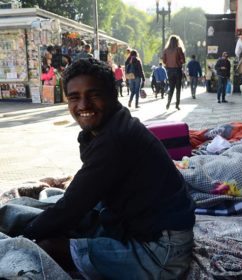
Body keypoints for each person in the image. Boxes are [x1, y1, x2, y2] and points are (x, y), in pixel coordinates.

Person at [21, 58, 195, 279]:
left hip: (162, 253)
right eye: (74, 97)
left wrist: (21, 238)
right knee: (58, 218)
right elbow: (81, 198)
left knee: (46, 247)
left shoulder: (116, 139)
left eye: (93, 95)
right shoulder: (111, 128)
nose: (83, 105)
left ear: (112, 95)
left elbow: (73, 205)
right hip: (142, 229)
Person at [162, 34, 186, 110]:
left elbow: (164, 61)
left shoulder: (166, 50)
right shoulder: (179, 49)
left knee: (171, 87)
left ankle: (168, 103)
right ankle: (177, 104)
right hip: (177, 70)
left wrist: (169, 63)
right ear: (177, 41)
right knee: (178, 88)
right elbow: (183, 60)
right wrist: (179, 62)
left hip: (169, 70)